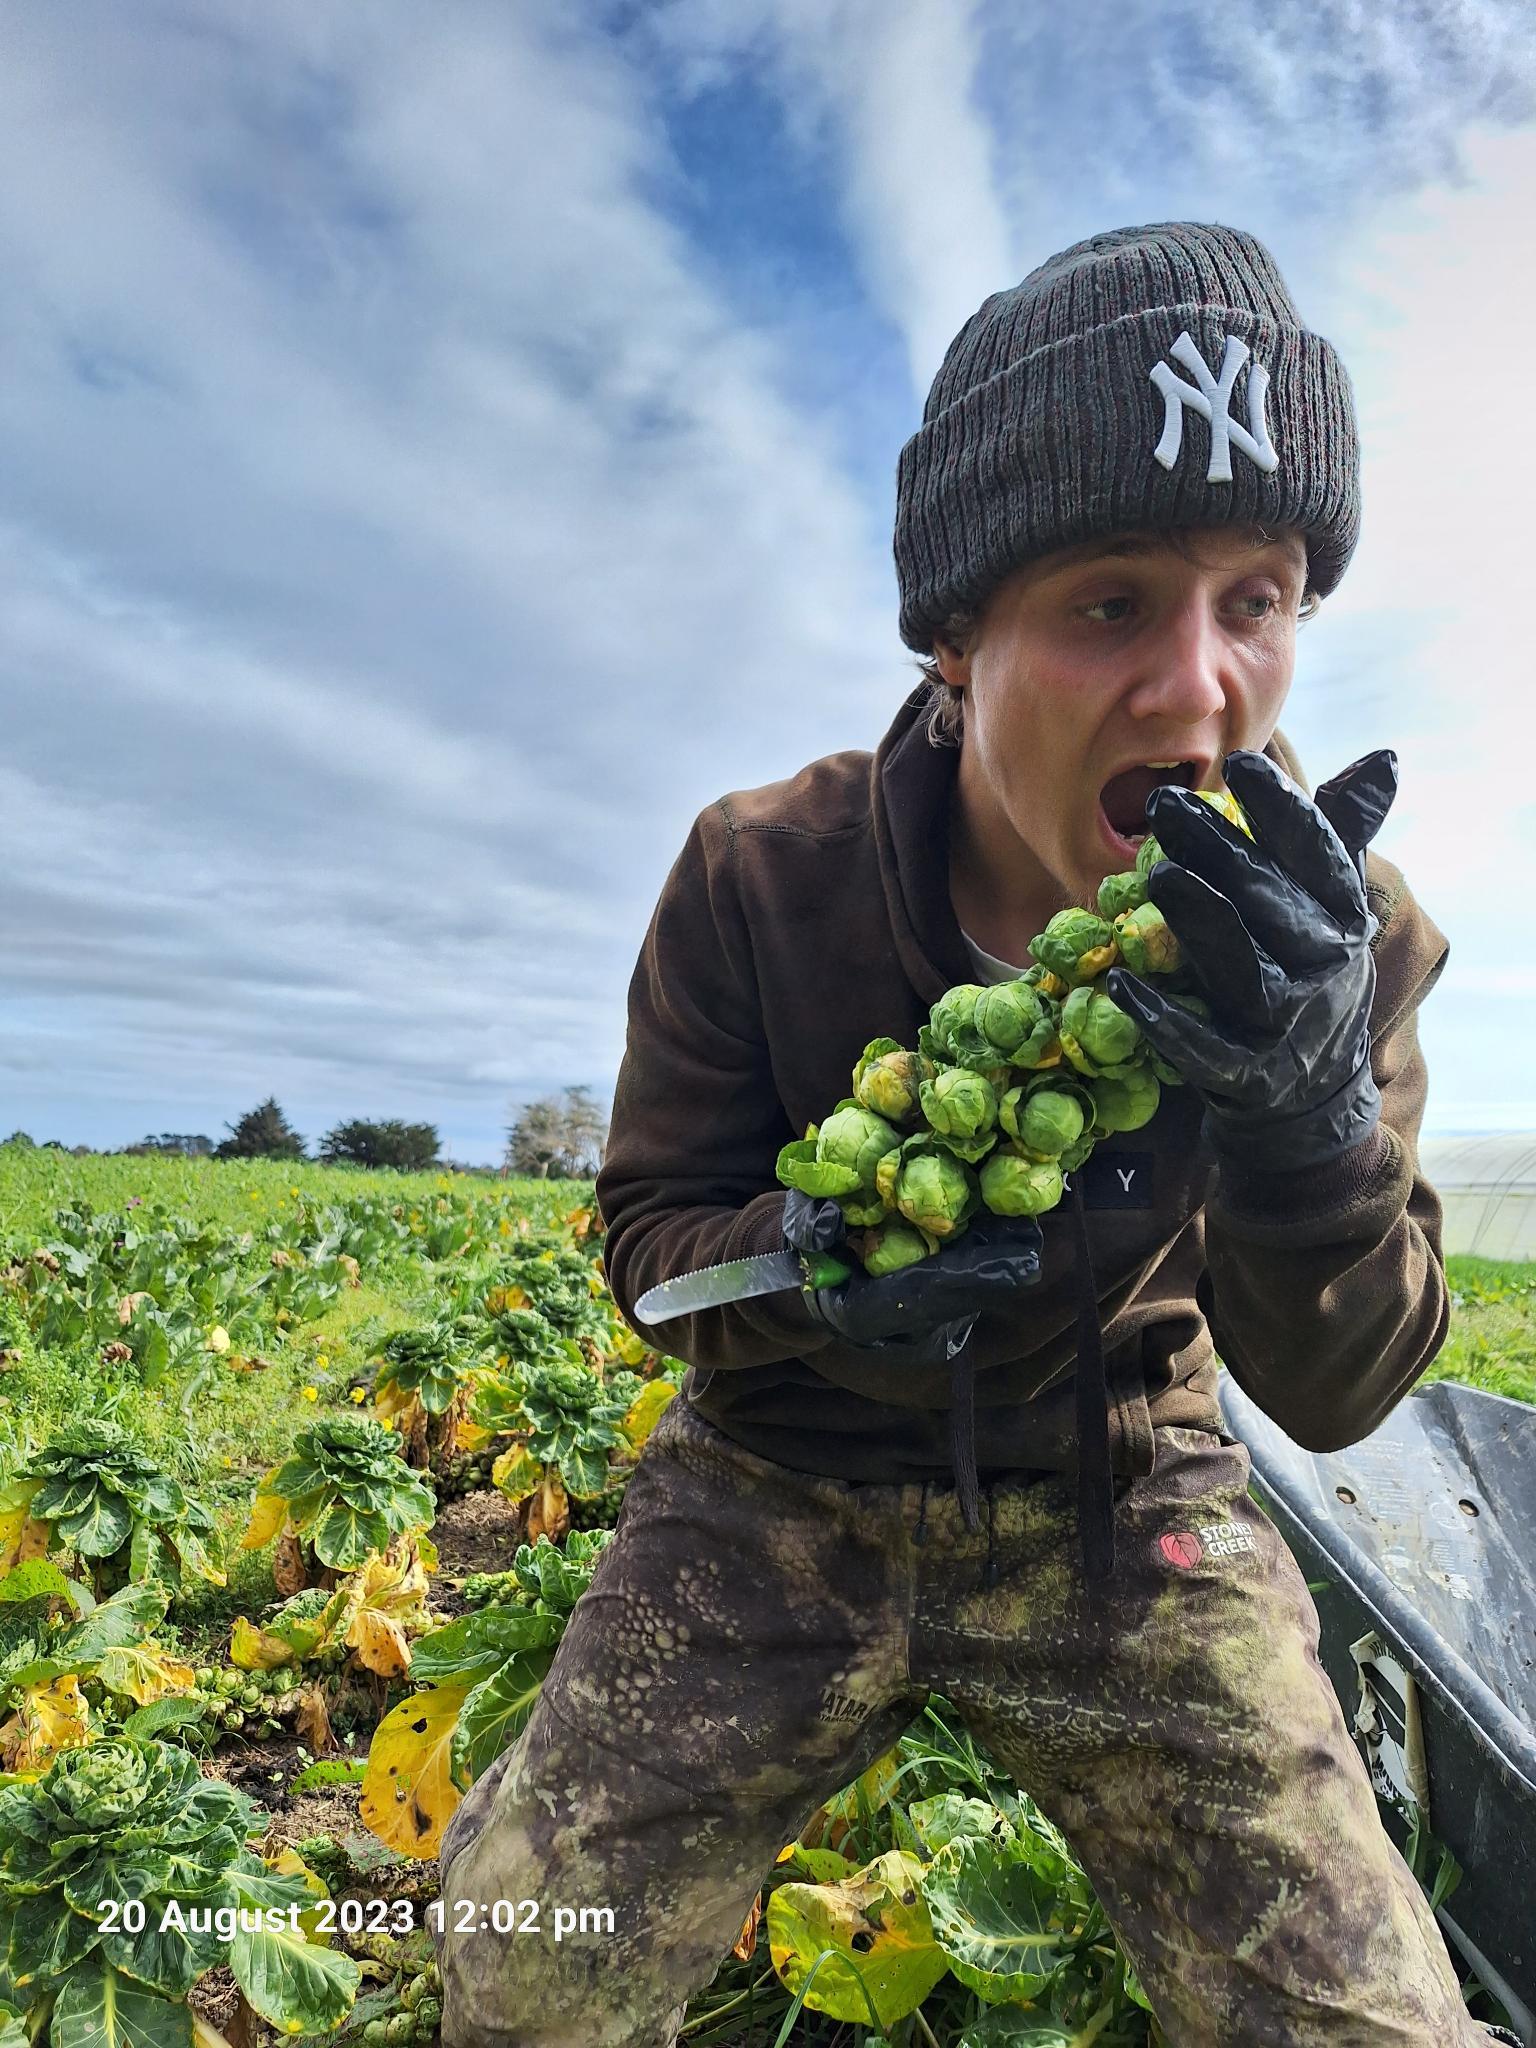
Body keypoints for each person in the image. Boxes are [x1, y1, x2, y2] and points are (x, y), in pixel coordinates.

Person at [435, 223, 1516, 2046]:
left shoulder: (1341, 942)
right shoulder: (759, 877)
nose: (1198, 690)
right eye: (1111, 603)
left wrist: (1308, 1119)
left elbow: (1336, 1396)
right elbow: (650, 1240)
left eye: (1257, 599)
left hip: (1127, 1496)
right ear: (956, 636)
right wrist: (806, 1264)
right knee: (527, 1983)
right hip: (772, 1485)